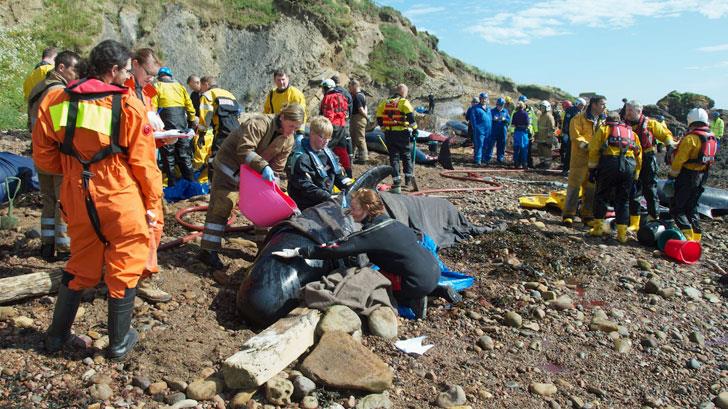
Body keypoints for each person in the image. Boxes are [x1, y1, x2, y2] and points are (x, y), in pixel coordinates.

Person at [33, 39, 163, 360]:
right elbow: (145, 167)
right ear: (114, 70)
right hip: (119, 196)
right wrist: (152, 205)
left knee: (81, 262)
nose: (127, 78)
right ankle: (118, 343)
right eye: (124, 72)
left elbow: (44, 156)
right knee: (126, 261)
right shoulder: (128, 105)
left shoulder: (57, 100)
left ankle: (55, 337)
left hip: (77, 194)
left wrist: (72, 167)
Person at [272, 188, 440, 319]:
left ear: (367, 208)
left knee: (365, 279)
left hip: (414, 283)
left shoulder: (372, 233)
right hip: (433, 270)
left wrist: (300, 251)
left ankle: (408, 300)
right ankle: (424, 291)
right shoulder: (393, 223)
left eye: (354, 208)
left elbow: (337, 249)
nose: (350, 212)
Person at [198, 104, 305, 270]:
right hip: (230, 167)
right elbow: (244, 150)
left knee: (264, 209)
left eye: (296, 128)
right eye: (291, 126)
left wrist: (273, 181)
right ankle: (208, 250)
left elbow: (278, 165)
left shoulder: (288, 139)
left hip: (255, 174)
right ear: (282, 117)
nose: (292, 131)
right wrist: (263, 167)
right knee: (222, 205)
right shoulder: (259, 123)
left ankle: (263, 251)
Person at [124, 48, 172, 303]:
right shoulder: (125, 91)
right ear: (135, 65)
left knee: (152, 221)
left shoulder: (148, 92)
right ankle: (140, 277)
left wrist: (163, 138)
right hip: (133, 168)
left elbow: (144, 133)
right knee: (148, 222)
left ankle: (138, 274)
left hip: (147, 161)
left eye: (154, 75)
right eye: (149, 73)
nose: (151, 79)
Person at [27, 50, 81, 262]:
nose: (76, 74)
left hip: (39, 153)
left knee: (49, 201)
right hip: (56, 157)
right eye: (74, 69)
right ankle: (64, 247)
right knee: (64, 202)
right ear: (61, 68)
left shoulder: (38, 87)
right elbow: (63, 131)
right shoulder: (58, 93)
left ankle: (46, 246)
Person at [587, 111, 642, 243]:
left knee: (602, 196)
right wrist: (636, 173)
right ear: (620, 121)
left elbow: (593, 150)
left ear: (607, 120)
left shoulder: (604, 129)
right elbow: (639, 154)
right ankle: (622, 235)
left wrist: (592, 169)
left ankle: (598, 229)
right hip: (629, 165)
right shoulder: (631, 133)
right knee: (623, 200)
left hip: (609, 164)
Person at [666, 108, 717, 242]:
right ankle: (697, 237)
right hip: (702, 176)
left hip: (687, 176)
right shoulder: (712, 137)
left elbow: (679, 160)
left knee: (677, 208)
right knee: (692, 207)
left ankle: (688, 238)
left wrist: (671, 176)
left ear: (690, 121)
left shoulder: (691, 138)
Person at [624, 101, 674, 229]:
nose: (627, 113)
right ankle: (634, 221)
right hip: (631, 159)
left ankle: (653, 217)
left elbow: (665, 134)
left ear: (639, 111)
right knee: (633, 189)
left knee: (650, 189)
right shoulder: (623, 124)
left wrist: (670, 146)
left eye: (630, 110)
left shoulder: (650, 124)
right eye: (627, 110)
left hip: (647, 158)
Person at [287, 116, 353, 210]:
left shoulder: (328, 153)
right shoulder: (301, 158)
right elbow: (306, 187)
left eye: (329, 137)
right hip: (306, 205)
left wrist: (350, 186)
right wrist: (328, 197)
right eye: (322, 137)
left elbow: (338, 175)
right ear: (312, 134)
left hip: (324, 199)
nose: (326, 141)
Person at [562, 95, 607, 226]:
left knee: (591, 188)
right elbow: (576, 136)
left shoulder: (603, 122)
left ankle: (587, 215)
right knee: (574, 187)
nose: (604, 107)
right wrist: (590, 146)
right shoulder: (578, 119)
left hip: (595, 160)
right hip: (579, 159)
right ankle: (568, 214)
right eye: (602, 104)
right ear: (594, 105)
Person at [154, 67, 198, 186]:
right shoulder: (180, 87)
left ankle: (172, 185)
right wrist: (192, 121)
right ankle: (192, 185)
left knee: (168, 158)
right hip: (181, 125)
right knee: (185, 156)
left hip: (166, 126)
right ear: (171, 76)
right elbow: (190, 107)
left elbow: (152, 108)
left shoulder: (157, 86)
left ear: (159, 77)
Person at [375, 83, 418, 193]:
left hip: (389, 133)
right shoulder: (404, 102)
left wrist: (383, 127)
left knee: (393, 157)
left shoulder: (385, 102)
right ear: (403, 92)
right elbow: (410, 117)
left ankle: (396, 181)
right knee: (406, 155)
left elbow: (379, 116)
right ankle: (408, 180)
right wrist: (415, 129)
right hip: (402, 133)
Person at [198, 76, 240, 159]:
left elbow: (205, 117)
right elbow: (237, 113)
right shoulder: (229, 94)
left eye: (201, 87)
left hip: (222, 131)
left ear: (206, 84)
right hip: (237, 130)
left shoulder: (207, 95)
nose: (200, 90)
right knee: (233, 158)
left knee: (215, 159)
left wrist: (201, 135)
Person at [320, 79, 352, 177]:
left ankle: (324, 172)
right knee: (342, 150)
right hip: (342, 126)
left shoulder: (328, 97)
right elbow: (346, 111)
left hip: (332, 127)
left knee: (325, 148)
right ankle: (349, 173)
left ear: (326, 88)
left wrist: (324, 127)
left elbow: (328, 114)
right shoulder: (342, 96)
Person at [263, 68, 307, 134]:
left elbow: (302, 113)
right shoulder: (272, 94)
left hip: (291, 129)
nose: (281, 82)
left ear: (287, 79)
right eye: (278, 80)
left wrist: (299, 131)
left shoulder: (296, 94)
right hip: (275, 127)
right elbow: (266, 110)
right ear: (275, 80)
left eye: (283, 79)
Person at [561, 98, 585, 175]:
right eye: (581, 105)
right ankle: (565, 169)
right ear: (577, 103)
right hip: (571, 135)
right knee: (569, 152)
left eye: (583, 106)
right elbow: (566, 122)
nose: (582, 107)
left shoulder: (581, 112)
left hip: (578, 136)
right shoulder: (571, 110)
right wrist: (565, 133)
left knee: (577, 153)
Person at [484, 97, 511, 165]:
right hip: (493, 131)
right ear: (497, 104)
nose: (500, 106)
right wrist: (493, 119)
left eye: (501, 105)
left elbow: (509, 121)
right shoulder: (492, 111)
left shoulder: (505, 111)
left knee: (501, 145)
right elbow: (488, 120)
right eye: (499, 105)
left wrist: (505, 119)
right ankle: (487, 158)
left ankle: (500, 158)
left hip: (502, 131)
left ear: (503, 105)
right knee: (490, 145)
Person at [348, 79, 369, 164]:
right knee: (353, 138)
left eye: (350, 86)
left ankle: (363, 158)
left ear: (355, 86)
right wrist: (366, 115)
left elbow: (360, 109)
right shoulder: (362, 95)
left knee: (360, 138)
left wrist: (365, 116)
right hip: (359, 118)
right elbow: (365, 107)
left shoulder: (357, 96)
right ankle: (351, 156)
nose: (349, 89)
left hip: (358, 119)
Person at [471, 92, 492, 165]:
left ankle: (484, 159)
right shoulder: (475, 108)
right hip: (480, 130)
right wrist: (476, 128)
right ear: (480, 99)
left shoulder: (489, 109)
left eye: (485, 98)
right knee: (479, 145)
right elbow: (473, 120)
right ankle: (478, 160)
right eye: (483, 98)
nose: (484, 100)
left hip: (488, 130)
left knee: (486, 145)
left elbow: (490, 119)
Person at [535, 100, 556, 169]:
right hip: (540, 138)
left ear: (547, 108)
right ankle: (542, 163)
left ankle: (547, 165)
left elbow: (551, 129)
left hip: (546, 138)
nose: (541, 108)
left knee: (546, 152)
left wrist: (549, 139)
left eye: (543, 107)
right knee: (541, 152)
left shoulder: (549, 116)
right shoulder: (541, 116)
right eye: (541, 107)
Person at [511, 102, 530, 169]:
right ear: (523, 106)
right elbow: (528, 124)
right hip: (523, 133)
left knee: (516, 148)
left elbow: (513, 124)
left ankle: (516, 163)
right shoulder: (525, 114)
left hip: (517, 132)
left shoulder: (515, 114)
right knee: (524, 148)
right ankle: (524, 163)